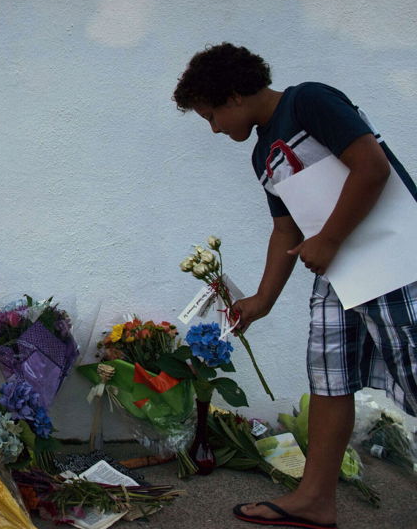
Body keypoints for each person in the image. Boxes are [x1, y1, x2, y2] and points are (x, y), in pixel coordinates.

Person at [172, 42, 417, 529]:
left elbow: (372, 166)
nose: (214, 129)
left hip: (392, 262)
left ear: (235, 95)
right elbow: (286, 230)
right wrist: (262, 300)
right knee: (329, 375)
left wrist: (328, 238)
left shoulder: (309, 101)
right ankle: (314, 500)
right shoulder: (264, 151)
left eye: (211, 116)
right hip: (340, 270)